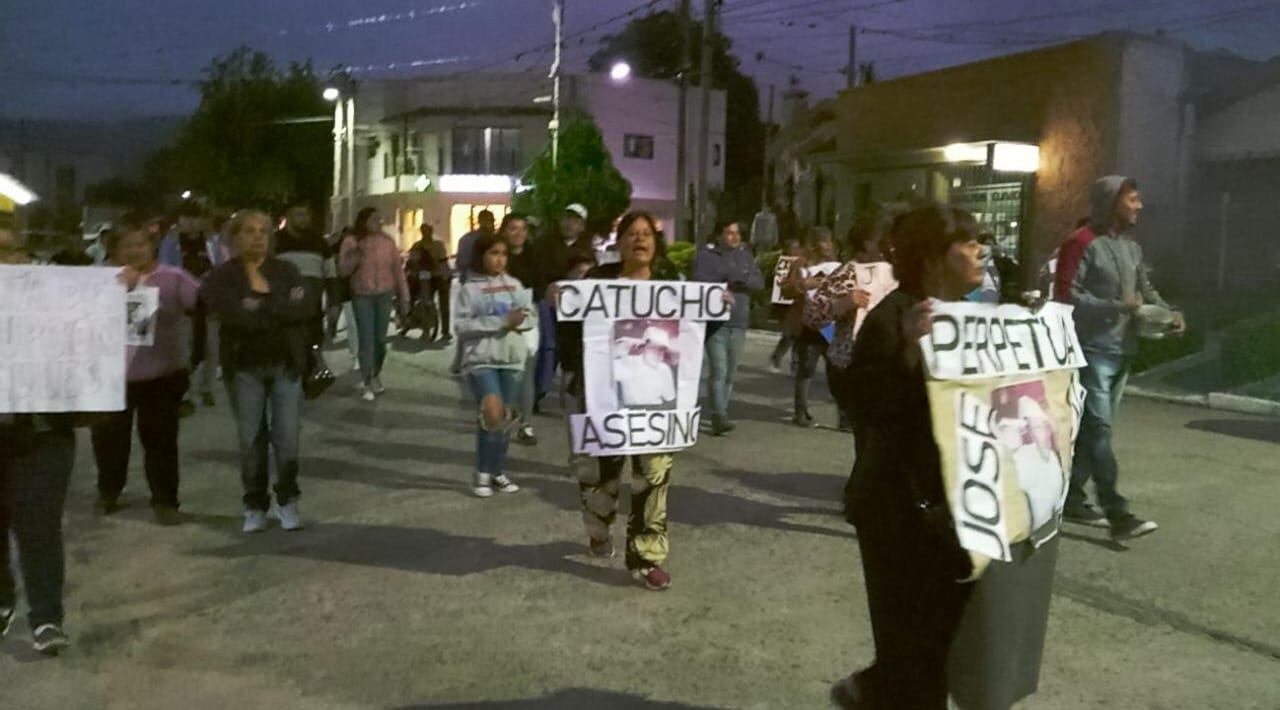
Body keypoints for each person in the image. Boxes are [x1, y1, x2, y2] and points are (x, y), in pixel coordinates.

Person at [830, 205, 985, 710]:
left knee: (936, 646)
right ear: (935, 258)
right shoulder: (893, 319)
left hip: (957, 509)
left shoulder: (980, 318)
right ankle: (877, 688)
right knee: (915, 656)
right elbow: (865, 407)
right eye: (967, 243)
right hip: (899, 512)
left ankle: (873, 689)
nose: (980, 250)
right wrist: (910, 358)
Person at [554, 211, 676, 591]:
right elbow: (572, 328)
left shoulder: (673, 284)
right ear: (619, 241)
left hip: (655, 401)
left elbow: (693, 333)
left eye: (646, 234)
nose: (639, 240)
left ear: (655, 244)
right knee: (601, 477)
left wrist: (718, 308)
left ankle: (647, 556)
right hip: (604, 396)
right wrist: (559, 300)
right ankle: (599, 529)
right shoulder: (598, 280)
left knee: (653, 478)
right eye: (631, 234)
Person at [1064, 176, 1183, 539]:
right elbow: (1067, 296)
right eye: (1132, 199)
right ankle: (1117, 513)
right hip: (1092, 350)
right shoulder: (1081, 242)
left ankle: (1069, 499)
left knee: (1093, 431)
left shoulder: (1132, 249)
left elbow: (1145, 290)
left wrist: (1170, 312)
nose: (1139, 206)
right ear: (1112, 201)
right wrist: (1114, 306)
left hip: (1123, 350)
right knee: (1099, 431)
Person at [200, 210, 313, 533]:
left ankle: (288, 500)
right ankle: (254, 504)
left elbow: (305, 306)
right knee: (251, 439)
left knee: (287, 437)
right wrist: (279, 307)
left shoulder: (286, 270)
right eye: (249, 231)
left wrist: (258, 304)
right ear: (235, 237)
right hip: (244, 366)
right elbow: (232, 314)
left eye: (263, 230)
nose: (258, 237)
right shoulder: (222, 276)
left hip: (285, 365)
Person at [0, 226, 81, 655]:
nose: (4, 260)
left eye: (10, 250)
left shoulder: (56, 301)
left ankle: (47, 617)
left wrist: (124, 292)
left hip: (43, 435)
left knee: (39, 526)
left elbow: (104, 329)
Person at [90, 219, 199, 526]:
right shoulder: (99, 280)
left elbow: (202, 304)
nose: (135, 250)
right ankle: (108, 490)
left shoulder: (174, 277)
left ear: (152, 247)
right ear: (114, 250)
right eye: (127, 245)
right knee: (109, 440)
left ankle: (165, 501)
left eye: (141, 244)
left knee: (161, 441)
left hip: (161, 375)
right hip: (111, 376)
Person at [454, 232, 535, 498]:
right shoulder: (469, 289)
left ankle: (498, 470)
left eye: (503, 254)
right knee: (491, 412)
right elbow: (462, 326)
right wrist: (500, 322)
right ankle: (482, 472)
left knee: (505, 418)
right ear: (482, 256)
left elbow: (529, 318)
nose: (499, 259)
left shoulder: (515, 285)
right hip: (481, 360)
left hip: (512, 360)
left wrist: (519, 321)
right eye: (493, 253)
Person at [807, 206, 899, 436]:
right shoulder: (847, 273)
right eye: (883, 238)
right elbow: (812, 315)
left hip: (888, 364)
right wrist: (843, 304)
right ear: (867, 242)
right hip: (852, 366)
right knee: (869, 437)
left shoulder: (897, 272)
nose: (889, 244)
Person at [692, 220, 765, 435]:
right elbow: (698, 280)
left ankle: (721, 410)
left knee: (731, 372)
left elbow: (758, 282)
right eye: (729, 232)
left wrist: (740, 278)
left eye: (737, 233)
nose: (735, 237)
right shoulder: (706, 256)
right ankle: (718, 415)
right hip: (716, 323)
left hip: (739, 322)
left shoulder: (745, 256)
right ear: (719, 235)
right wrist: (725, 278)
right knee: (719, 369)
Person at [339, 207, 410, 401]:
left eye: (379, 219)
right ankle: (367, 380)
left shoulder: (388, 242)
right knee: (366, 339)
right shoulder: (352, 241)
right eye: (373, 220)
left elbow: (398, 271)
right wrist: (355, 254)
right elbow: (343, 270)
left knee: (380, 340)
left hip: (384, 295)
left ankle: (375, 372)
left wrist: (404, 297)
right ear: (363, 221)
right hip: (362, 295)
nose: (378, 223)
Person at [160, 206, 227, 410]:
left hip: (208, 304)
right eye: (186, 218)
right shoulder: (171, 243)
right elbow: (165, 270)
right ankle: (186, 392)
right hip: (183, 306)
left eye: (195, 218)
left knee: (211, 348)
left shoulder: (212, 243)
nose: (190, 222)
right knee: (184, 348)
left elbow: (221, 269)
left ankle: (207, 388)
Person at [534, 203, 596, 412]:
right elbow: (538, 278)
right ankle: (537, 392)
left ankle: (571, 393)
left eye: (576, 220)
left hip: (574, 315)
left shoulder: (587, 251)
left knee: (572, 353)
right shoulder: (544, 246)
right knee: (547, 348)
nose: (570, 224)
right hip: (548, 308)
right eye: (567, 218)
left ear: (582, 226)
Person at [784, 227, 839, 427]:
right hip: (807, 324)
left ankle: (844, 418)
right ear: (814, 244)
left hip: (830, 324)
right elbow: (787, 289)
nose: (828, 246)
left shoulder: (837, 265)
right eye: (824, 241)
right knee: (806, 369)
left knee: (837, 369)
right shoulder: (801, 263)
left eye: (830, 241)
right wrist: (803, 285)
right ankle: (800, 413)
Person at [500, 213, 540, 445]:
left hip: (527, 319)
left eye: (523, 229)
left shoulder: (534, 256)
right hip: (499, 319)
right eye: (513, 228)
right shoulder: (496, 255)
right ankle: (505, 416)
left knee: (526, 373)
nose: (518, 234)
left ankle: (526, 423)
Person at [274, 204, 332, 359]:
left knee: (311, 353)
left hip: (312, 310)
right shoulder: (274, 242)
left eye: (306, 215)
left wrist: (334, 303)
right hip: (283, 311)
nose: (304, 219)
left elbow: (330, 274)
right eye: (299, 215)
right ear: (288, 216)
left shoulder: (319, 243)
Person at [769, 236, 806, 373]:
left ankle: (796, 364)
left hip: (797, 303)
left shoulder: (803, 263)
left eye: (797, 248)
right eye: (791, 248)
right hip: (783, 304)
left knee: (798, 335)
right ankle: (776, 358)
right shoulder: (780, 262)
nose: (794, 251)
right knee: (788, 334)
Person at [455, 209, 496, 283]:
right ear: (480, 221)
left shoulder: (497, 240)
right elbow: (462, 263)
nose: (491, 224)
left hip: (490, 280)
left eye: (491, 221)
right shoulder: (467, 239)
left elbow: (460, 263)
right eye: (488, 221)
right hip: (473, 279)